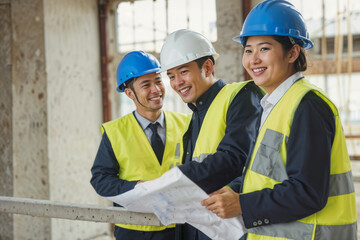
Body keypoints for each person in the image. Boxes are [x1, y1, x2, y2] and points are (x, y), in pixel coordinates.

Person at [201, 1, 357, 239]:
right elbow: (269, 173)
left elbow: (307, 192)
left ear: (292, 53)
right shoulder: (273, 105)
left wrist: (243, 204)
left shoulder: (307, 105)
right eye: (248, 50)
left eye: (264, 49)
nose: (253, 60)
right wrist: (233, 190)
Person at [159, 29, 264, 240]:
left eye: (183, 72)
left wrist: (173, 181)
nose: (177, 82)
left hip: (232, 229)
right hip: (200, 228)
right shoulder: (194, 117)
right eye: (171, 76)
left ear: (207, 67)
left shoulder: (240, 96)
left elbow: (235, 159)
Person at [90, 50, 190, 240]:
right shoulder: (115, 132)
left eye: (158, 81)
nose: (156, 90)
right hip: (134, 230)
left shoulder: (186, 124)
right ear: (129, 93)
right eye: (146, 85)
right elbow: (101, 180)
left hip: (178, 226)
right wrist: (136, 187)